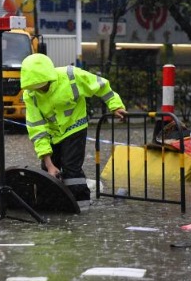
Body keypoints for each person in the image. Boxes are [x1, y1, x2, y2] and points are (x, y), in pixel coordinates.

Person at [20, 53, 127, 201]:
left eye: (43, 86)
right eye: (36, 87)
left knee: (71, 169)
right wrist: (49, 164)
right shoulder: (30, 94)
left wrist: (116, 106)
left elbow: (101, 86)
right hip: (52, 133)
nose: (40, 90)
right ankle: (51, 205)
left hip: (75, 127)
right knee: (48, 172)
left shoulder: (71, 76)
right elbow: (37, 130)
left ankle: (80, 204)